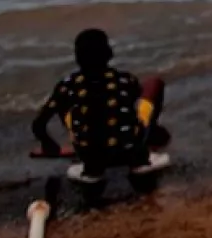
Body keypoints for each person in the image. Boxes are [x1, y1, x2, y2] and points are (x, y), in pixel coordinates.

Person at [31, 29, 170, 179]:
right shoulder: (125, 79)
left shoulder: (67, 85)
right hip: (131, 153)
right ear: (109, 53)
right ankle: (143, 148)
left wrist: (48, 144)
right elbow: (130, 104)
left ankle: (85, 146)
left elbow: (38, 124)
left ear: (77, 58)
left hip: (92, 160)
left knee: (62, 102)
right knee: (153, 84)